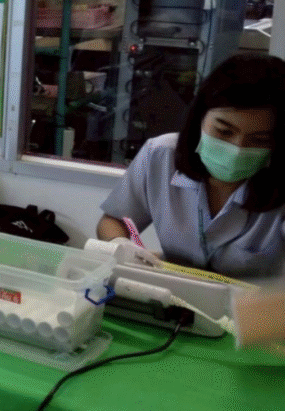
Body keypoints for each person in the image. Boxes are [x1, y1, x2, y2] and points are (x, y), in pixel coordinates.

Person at [97, 53, 285, 279]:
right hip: (173, 290)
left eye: (260, 140)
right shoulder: (161, 155)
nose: (237, 149)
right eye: (224, 131)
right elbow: (115, 220)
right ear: (200, 118)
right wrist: (121, 245)